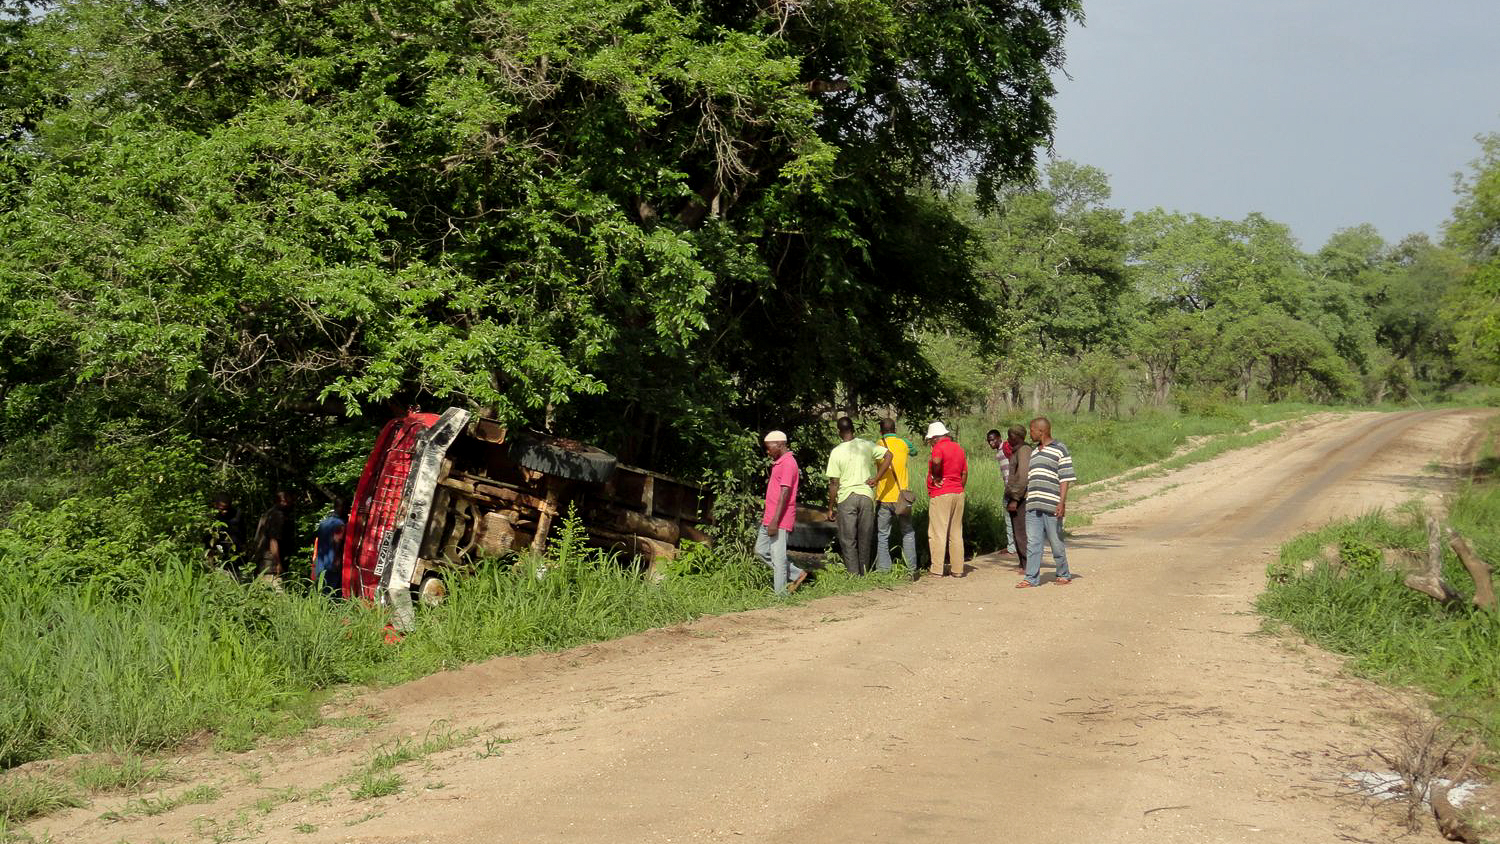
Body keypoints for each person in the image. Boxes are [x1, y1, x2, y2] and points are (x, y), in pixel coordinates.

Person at [1018, 416, 1076, 588]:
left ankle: (1063, 573)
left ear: (1041, 431)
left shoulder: (1060, 449)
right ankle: (1031, 578)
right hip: (1033, 505)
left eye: (1032, 430)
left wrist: (1062, 502)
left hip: (1052, 504)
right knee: (1033, 542)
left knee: (1055, 541)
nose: (1030, 433)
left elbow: (1065, 478)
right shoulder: (1035, 452)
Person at [825, 416, 883, 575]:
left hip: (846, 498)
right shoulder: (866, 445)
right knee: (865, 537)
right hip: (865, 496)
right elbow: (889, 456)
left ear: (839, 432)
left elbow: (834, 483)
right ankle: (864, 572)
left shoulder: (836, 452)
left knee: (848, 539)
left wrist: (831, 507)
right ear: (853, 429)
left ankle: (853, 574)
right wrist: (876, 478)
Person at [757, 430, 808, 595]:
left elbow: (785, 493)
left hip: (779, 519)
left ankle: (780, 597)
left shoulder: (788, 463)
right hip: (770, 517)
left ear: (779, 444)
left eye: (769, 447)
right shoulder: (780, 462)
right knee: (760, 550)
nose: (767, 451)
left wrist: (775, 521)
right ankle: (796, 573)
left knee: (778, 559)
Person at [872, 419, 918, 575]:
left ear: (881, 431)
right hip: (902, 499)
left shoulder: (878, 444)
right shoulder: (904, 443)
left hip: (884, 497)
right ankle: (911, 570)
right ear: (895, 429)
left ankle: (884, 571)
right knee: (908, 532)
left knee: (883, 535)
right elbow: (915, 451)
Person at [924, 421, 968, 578]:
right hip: (958, 492)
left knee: (938, 532)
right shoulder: (959, 448)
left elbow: (936, 461)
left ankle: (937, 569)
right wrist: (959, 488)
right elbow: (964, 473)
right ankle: (957, 569)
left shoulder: (938, 447)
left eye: (930, 439)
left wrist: (936, 476)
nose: (930, 442)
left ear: (935, 437)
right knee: (956, 532)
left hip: (941, 493)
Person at [1003, 425, 1031, 574]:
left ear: (1017, 436)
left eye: (1010, 436)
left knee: (1021, 531)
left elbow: (1023, 476)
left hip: (1021, 498)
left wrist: (1015, 498)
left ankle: (1028, 564)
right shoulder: (1017, 451)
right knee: (1016, 530)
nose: (1008, 439)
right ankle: (1022, 562)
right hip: (1016, 496)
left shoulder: (1024, 450)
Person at [985, 428, 1018, 558]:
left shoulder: (1006, 447)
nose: (991, 443)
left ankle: (1014, 547)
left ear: (999, 437)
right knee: (1009, 517)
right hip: (1008, 488)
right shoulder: (999, 451)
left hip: (1013, 488)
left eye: (993, 439)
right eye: (989, 441)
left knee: (1012, 518)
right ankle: (1012, 546)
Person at [251, 490, 297, 580]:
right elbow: (273, 540)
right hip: (271, 565)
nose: (287, 503)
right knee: (277, 592)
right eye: (284, 501)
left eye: (288, 500)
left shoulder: (268, 514)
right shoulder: (277, 516)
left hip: (263, 563)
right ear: (277, 501)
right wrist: (277, 563)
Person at [313, 498, 347, 597]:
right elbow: (337, 541)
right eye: (346, 507)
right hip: (332, 564)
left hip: (321, 563)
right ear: (340, 507)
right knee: (332, 593)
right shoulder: (340, 525)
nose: (348, 510)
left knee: (321, 590)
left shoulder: (323, 523)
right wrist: (337, 560)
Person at [206, 494, 245, 579]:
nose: (225, 511)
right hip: (220, 556)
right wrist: (210, 561)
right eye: (222, 509)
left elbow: (243, 532)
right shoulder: (212, 517)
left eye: (227, 508)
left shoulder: (237, 514)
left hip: (237, 555)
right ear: (216, 505)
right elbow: (209, 541)